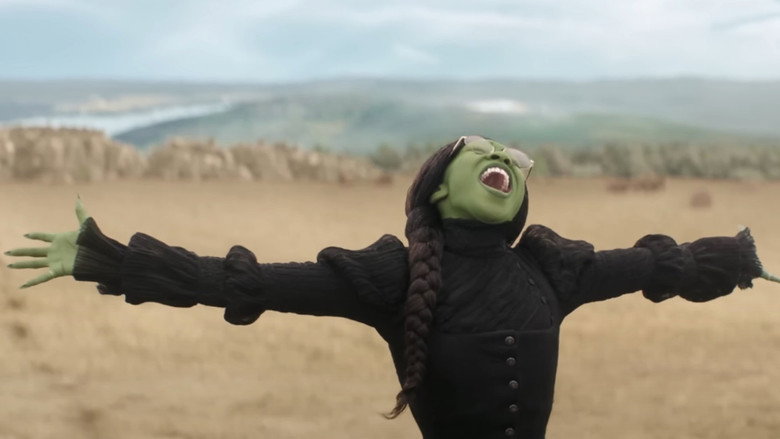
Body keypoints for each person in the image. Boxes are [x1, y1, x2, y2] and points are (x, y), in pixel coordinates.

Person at [6, 135, 778, 439]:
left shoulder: (552, 267)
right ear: (437, 187)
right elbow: (248, 283)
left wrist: (739, 257)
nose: (505, 159)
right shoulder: (395, 277)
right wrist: (110, 260)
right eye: (481, 152)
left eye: (514, 159)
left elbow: (659, 264)